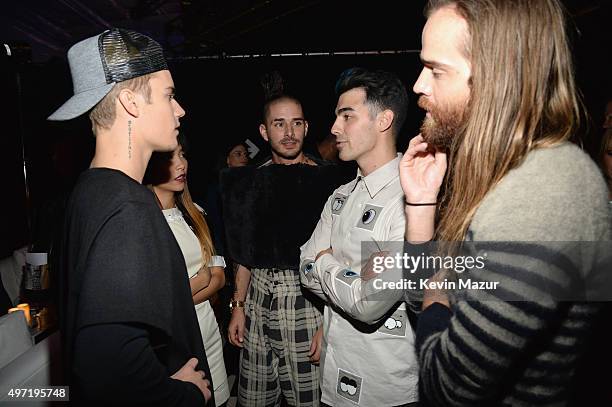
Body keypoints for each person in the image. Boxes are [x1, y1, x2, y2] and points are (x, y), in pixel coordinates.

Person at [398, 1, 610, 405]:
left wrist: (437, 292)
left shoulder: (544, 188)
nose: (419, 85)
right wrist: (421, 204)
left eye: (437, 70)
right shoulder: (500, 174)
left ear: (497, 75)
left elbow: (449, 387)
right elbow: (420, 303)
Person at [50, 28, 213, 405]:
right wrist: (183, 394)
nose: (180, 110)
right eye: (169, 96)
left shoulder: (88, 192)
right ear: (131, 103)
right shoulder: (128, 207)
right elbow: (106, 368)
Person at [223, 73, 352, 407]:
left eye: (296, 123)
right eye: (279, 124)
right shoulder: (250, 182)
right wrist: (237, 307)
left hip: (308, 298)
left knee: (307, 397)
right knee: (253, 397)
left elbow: (342, 257)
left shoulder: (330, 182)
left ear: (307, 127)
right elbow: (245, 253)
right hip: (258, 297)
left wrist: (330, 321)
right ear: (265, 131)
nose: (289, 133)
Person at [300, 67, 418, 406]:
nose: (334, 128)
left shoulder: (413, 200)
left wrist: (325, 262)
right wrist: (343, 272)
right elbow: (304, 268)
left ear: (383, 121)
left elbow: (368, 304)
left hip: (388, 391)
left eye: (346, 116)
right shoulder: (340, 195)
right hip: (333, 379)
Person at [145, 135, 230, 406]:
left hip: (209, 330)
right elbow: (155, 304)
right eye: (170, 158)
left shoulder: (195, 214)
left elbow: (219, 275)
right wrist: (202, 280)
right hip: (175, 342)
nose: (180, 164)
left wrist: (198, 282)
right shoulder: (146, 224)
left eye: (182, 155)